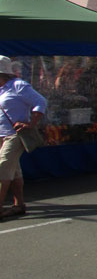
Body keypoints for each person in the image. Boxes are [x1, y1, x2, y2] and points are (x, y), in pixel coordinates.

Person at [0, 57, 46, 220]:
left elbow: (40, 102)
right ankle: (19, 205)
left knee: (2, 168)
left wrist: (31, 123)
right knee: (14, 171)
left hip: (14, 135)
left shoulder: (18, 86)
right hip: (1, 135)